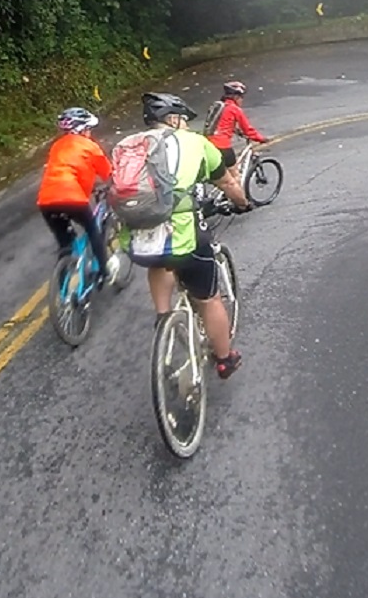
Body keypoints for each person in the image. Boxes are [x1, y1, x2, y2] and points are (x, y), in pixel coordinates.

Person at [128, 92, 252, 379]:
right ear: (173, 119)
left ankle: (163, 318)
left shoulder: (134, 145)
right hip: (185, 233)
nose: (186, 124)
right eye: (183, 119)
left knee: (161, 259)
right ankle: (224, 358)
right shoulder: (195, 143)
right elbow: (226, 182)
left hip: (142, 236)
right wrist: (243, 202)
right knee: (209, 298)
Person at [36, 107, 117, 286]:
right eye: (88, 129)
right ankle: (104, 272)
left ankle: (63, 289)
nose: (90, 133)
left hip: (46, 200)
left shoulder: (57, 146)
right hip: (72, 197)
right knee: (92, 230)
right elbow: (108, 173)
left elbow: (68, 169)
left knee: (65, 244)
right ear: (82, 130)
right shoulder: (90, 146)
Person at [206, 80, 269, 181]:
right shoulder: (234, 109)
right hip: (222, 146)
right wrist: (261, 139)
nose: (242, 100)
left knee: (220, 173)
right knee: (235, 176)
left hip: (208, 143)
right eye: (241, 97)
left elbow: (220, 124)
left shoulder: (219, 106)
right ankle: (237, 196)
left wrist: (237, 131)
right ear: (235, 97)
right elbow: (248, 130)